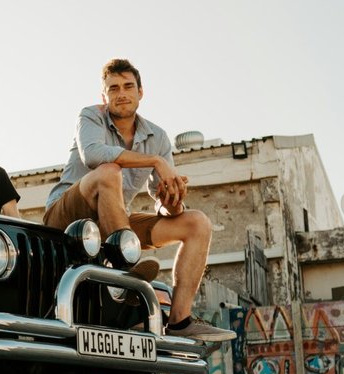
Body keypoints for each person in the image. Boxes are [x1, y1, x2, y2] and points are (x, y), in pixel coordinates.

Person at [42, 58, 234, 343]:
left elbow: (162, 203)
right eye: (114, 88)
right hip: (67, 219)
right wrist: (156, 161)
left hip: (113, 221)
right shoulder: (90, 116)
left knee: (197, 223)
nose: (121, 93)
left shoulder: (158, 137)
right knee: (109, 171)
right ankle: (124, 273)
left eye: (128, 86)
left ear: (140, 92)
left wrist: (172, 201)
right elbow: (93, 155)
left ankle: (180, 320)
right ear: (103, 96)